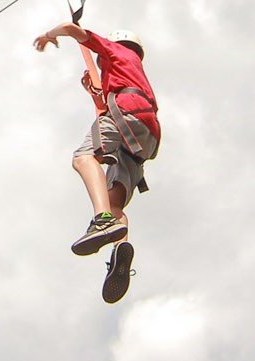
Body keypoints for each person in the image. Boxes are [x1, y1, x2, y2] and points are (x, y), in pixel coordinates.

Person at [32, 22, 161, 303]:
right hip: (146, 136)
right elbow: (107, 99)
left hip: (126, 115)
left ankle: (101, 220)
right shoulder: (133, 70)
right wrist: (94, 90)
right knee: (116, 204)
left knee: (83, 157)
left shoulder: (114, 51)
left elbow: (73, 29)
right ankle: (119, 246)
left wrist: (50, 35)